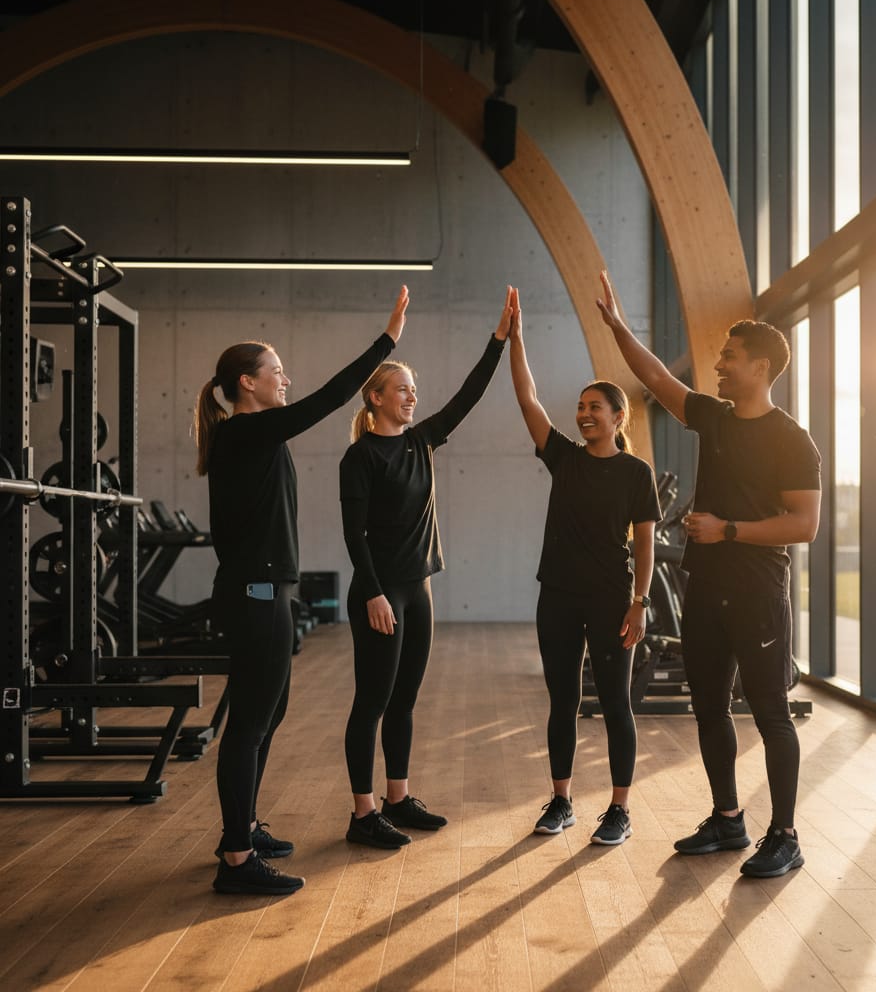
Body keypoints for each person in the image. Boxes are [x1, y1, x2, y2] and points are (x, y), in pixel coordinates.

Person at [594, 270, 821, 878]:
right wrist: (618, 327)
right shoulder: (715, 419)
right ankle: (728, 819)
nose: (718, 365)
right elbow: (656, 379)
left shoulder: (792, 440)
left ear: (761, 368)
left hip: (758, 591)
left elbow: (803, 524)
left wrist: (727, 530)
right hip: (708, 589)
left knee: (770, 711)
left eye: (729, 357)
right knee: (709, 707)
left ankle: (785, 835)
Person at [194, 286, 410, 895]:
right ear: (246, 383)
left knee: (269, 714)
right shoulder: (246, 434)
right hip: (255, 593)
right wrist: (387, 340)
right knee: (249, 725)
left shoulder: (255, 435)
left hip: (269, 591)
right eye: (275, 372)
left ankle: (244, 827)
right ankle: (236, 860)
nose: (284, 379)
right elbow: (331, 397)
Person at [339, 291, 512, 849]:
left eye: (415, 390)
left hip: (420, 589)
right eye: (402, 389)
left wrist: (499, 341)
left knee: (405, 700)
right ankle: (362, 813)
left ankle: (397, 797)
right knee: (372, 700)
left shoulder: (422, 441)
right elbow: (353, 534)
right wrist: (372, 594)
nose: (412, 396)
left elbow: (468, 396)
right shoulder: (360, 457)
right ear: (375, 398)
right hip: (381, 594)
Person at [507, 286, 661, 846]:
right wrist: (516, 340)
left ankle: (619, 809)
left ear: (618, 417)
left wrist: (640, 602)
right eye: (580, 407)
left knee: (617, 703)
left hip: (612, 599)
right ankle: (562, 800)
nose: (582, 414)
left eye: (594, 407)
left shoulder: (637, 474)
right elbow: (528, 400)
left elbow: (645, 543)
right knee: (562, 701)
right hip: (559, 597)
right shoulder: (565, 458)